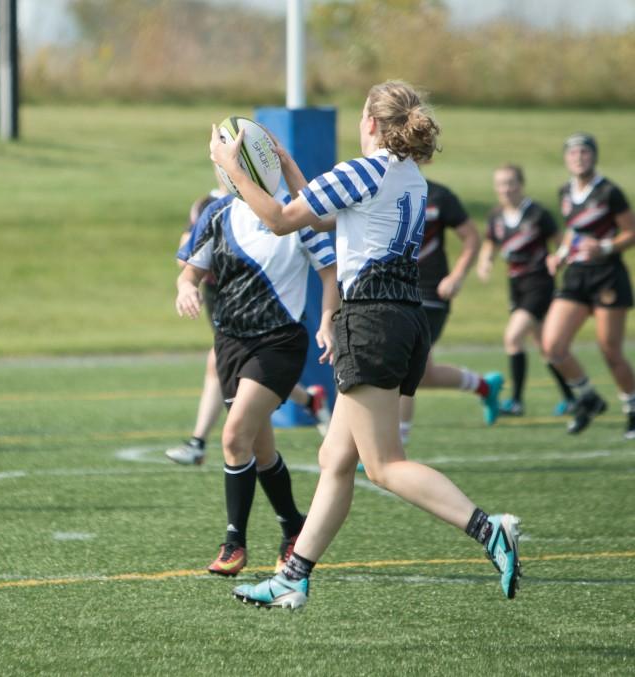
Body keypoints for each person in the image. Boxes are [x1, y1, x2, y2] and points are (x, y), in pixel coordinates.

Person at [211, 81, 521, 610]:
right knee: (336, 457)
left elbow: (283, 221)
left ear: (372, 124)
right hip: (406, 318)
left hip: (372, 319)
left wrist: (233, 168)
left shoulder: (365, 169)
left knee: (383, 465)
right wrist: (285, 166)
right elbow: (331, 214)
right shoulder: (410, 178)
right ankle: (293, 577)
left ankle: (489, 529)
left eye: (360, 116)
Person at [175, 156, 339, 576]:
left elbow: (329, 271)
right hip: (230, 343)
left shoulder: (294, 213)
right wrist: (186, 288)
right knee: (260, 448)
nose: (221, 175)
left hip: (279, 343)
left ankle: (234, 543)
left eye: (227, 166)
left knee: (233, 438)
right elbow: (189, 270)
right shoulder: (217, 213)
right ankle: (294, 527)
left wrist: (326, 321)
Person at [166, 180, 331, 466]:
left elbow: (327, 265)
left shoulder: (277, 207)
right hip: (223, 300)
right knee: (244, 377)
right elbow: (186, 259)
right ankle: (309, 401)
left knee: (231, 369)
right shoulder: (209, 206)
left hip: (266, 311)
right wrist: (194, 273)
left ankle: (198, 441)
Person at [397, 175, 502, 445]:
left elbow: (470, 237)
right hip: (395, 291)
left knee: (404, 367)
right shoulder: (384, 190)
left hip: (432, 294)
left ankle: (394, 446)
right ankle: (485, 386)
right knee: (424, 374)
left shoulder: (439, 196)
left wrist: (456, 276)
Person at [542, 133, 635, 437]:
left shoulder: (609, 192)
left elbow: (630, 233)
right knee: (552, 346)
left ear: (593, 156)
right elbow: (573, 232)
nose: (579, 157)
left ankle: (632, 408)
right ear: (566, 159)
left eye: (584, 152)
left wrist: (606, 247)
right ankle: (589, 396)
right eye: (573, 153)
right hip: (577, 276)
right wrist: (560, 255)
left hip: (608, 276)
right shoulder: (565, 192)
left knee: (610, 350)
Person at [477, 163, 572, 416]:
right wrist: (485, 261)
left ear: (521, 184)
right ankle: (573, 397)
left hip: (539, 284)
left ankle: (516, 402)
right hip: (516, 286)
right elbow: (490, 243)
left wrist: (558, 258)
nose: (505, 189)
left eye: (510, 182)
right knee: (545, 347)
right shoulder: (496, 217)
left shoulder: (538, 213)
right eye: (500, 184)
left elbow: (563, 243)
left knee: (513, 337)